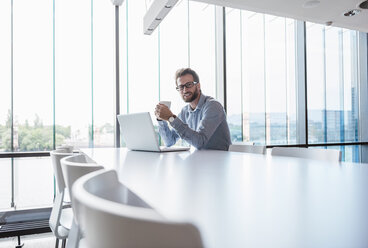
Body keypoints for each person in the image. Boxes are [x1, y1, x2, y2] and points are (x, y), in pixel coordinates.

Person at [154, 68, 231, 151]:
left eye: (189, 84)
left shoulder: (213, 106)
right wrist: (161, 119)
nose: (185, 90)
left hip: (219, 160)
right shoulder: (185, 111)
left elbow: (200, 142)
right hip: (198, 160)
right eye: (181, 87)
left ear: (198, 86)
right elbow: (169, 141)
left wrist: (171, 118)